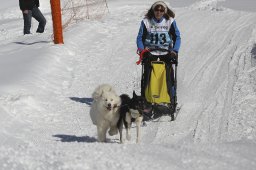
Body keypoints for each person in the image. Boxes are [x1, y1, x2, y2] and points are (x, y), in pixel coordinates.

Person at [136, 1, 181, 120]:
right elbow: (140, 38)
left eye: (161, 10)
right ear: (153, 10)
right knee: (148, 78)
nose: (159, 12)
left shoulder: (170, 21)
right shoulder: (146, 22)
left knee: (168, 78)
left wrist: (175, 51)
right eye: (157, 10)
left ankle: (171, 100)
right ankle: (146, 101)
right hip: (150, 52)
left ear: (164, 11)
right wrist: (142, 51)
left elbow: (177, 37)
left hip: (166, 52)